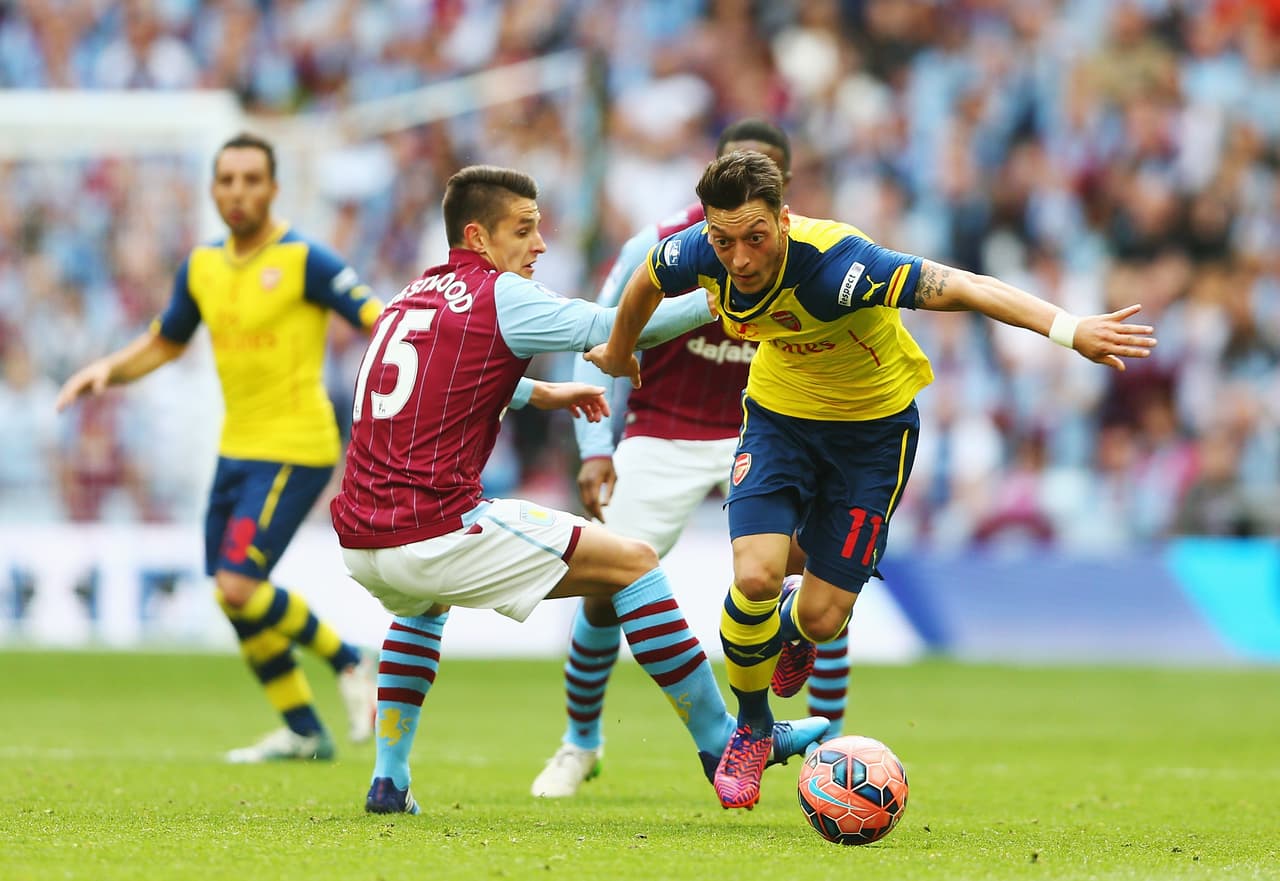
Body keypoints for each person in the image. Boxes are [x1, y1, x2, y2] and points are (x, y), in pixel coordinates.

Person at [585, 151, 1159, 810]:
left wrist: (1069, 328)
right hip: (779, 420)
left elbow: (963, 285)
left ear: (783, 217)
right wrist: (622, 347)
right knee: (753, 575)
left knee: (825, 618)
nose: (738, 257)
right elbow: (644, 282)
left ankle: (796, 628)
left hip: (872, 436)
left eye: (755, 237)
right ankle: (753, 725)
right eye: (724, 240)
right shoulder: (700, 251)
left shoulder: (840, 267)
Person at [328, 164, 829, 814]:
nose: (540, 245)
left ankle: (389, 780)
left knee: (421, 604)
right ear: (478, 236)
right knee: (633, 563)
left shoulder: (409, 298)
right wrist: (715, 298)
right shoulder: (500, 293)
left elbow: (427, 384)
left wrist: (542, 391)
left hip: (361, 542)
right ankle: (723, 742)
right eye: (525, 230)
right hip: (433, 530)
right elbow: (620, 325)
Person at [531, 118, 848, 799]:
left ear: (783, 192)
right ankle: (580, 741)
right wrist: (595, 446)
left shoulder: (816, 248)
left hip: (768, 431)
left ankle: (833, 742)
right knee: (604, 585)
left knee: (829, 575)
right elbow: (598, 326)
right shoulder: (661, 245)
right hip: (666, 431)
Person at [56, 133, 381, 763]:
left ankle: (350, 661)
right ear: (213, 188)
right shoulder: (202, 266)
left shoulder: (306, 260)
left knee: (237, 585)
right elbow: (167, 341)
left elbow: (380, 319)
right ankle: (303, 731)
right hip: (237, 450)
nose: (238, 191)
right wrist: (108, 371)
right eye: (226, 179)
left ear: (273, 188)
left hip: (298, 446)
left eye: (251, 179)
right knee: (230, 594)